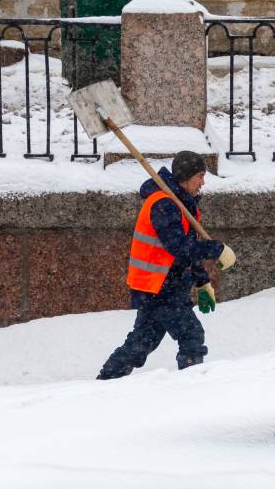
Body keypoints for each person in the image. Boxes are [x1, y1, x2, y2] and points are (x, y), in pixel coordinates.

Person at [97, 151, 236, 380]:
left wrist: (202, 282)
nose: (203, 182)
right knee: (191, 335)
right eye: (200, 176)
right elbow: (179, 247)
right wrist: (217, 249)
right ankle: (190, 385)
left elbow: (187, 250)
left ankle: (106, 380)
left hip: (163, 286)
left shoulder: (181, 203)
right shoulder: (164, 204)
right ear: (185, 176)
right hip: (160, 287)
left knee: (142, 343)